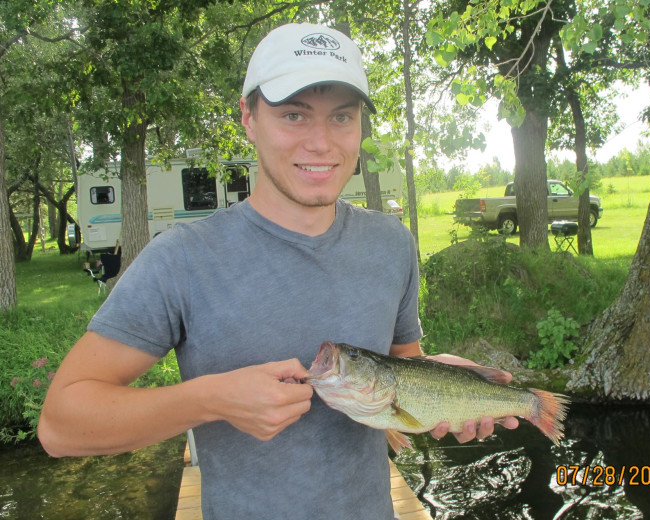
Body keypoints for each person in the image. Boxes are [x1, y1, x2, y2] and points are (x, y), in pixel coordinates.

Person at [38, 23, 518, 519]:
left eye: (341, 117)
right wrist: (212, 399)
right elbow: (60, 425)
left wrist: (446, 393)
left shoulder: (390, 243)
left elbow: (400, 368)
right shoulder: (182, 258)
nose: (321, 143)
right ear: (248, 118)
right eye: (294, 115)